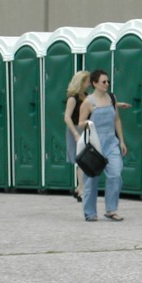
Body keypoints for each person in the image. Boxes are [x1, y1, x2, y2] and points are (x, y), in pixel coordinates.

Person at [78, 69, 127, 221]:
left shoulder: (112, 98)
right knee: (91, 179)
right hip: (95, 145)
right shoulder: (88, 102)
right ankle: (90, 213)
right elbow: (80, 123)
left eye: (108, 81)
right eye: (103, 82)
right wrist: (87, 122)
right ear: (94, 83)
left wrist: (122, 141)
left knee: (115, 173)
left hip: (111, 142)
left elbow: (117, 120)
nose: (107, 84)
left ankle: (111, 209)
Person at [64, 70, 91, 202]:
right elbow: (67, 117)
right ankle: (81, 190)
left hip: (84, 129)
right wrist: (75, 134)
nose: (89, 83)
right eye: (87, 81)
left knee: (84, 160)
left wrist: (117, 104)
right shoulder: (72, 98)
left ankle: (78, 188)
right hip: (75, 129)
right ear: (81, 82)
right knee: (81, 161)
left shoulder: (85, 96)